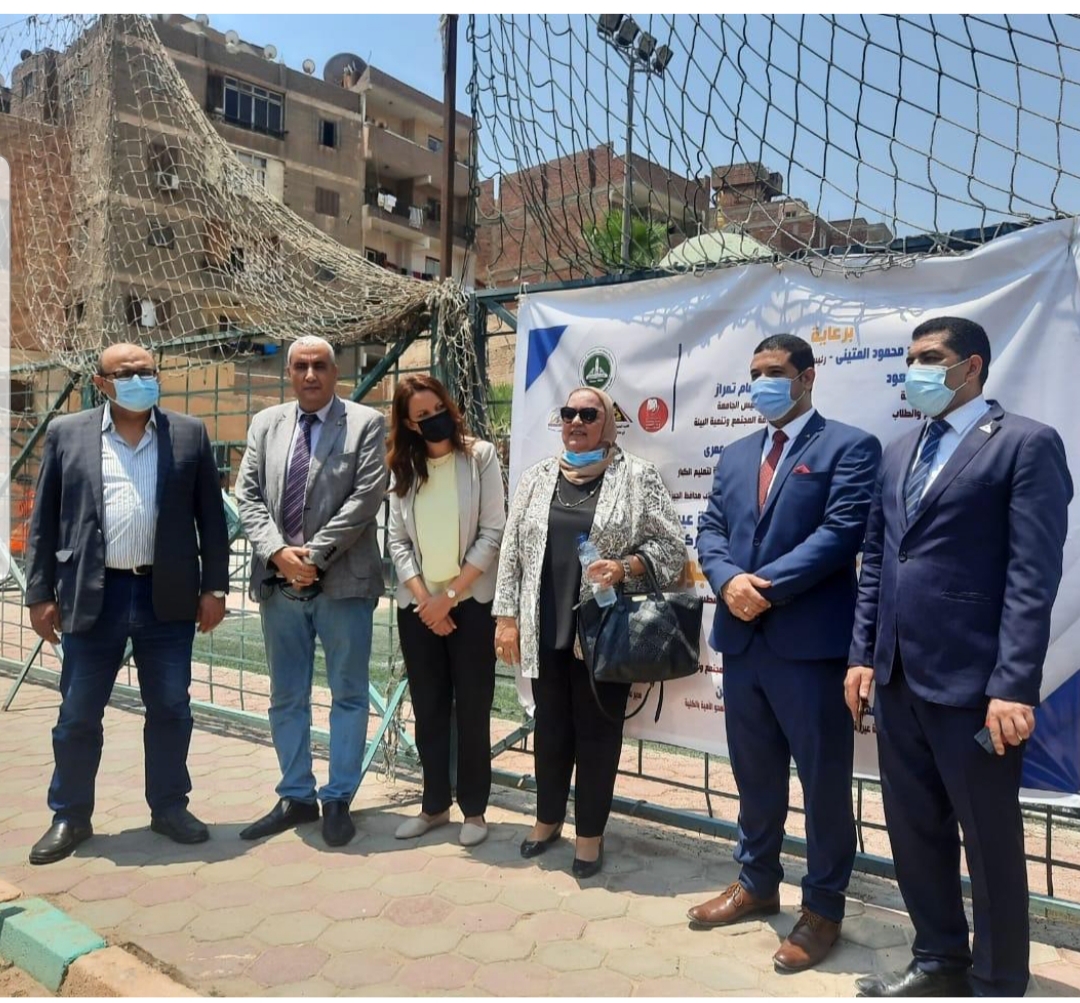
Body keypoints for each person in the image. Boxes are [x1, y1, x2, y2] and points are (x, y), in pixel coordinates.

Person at [846, 317, 1072, 998]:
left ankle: (998, 978)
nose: (915, 369)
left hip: (976, 685)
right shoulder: (899, 451)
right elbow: (878, 561)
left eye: (930, 358)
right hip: (898, 678)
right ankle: (938, 959)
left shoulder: (1026, 444)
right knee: (914, 828)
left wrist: (1014, 685)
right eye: (911, 357)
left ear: (971, 366)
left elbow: (1033, 575)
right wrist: (863, 655)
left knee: (989, 837)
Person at [689, 334, 881, 972]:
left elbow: (841, 533)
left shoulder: (849, 446)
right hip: (744, 644)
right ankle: (756, 881)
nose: (761, 383)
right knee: (755, 775)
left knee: (823, 784)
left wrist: (761, 588)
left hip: (809, 648)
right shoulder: (738, 453)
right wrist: (727, 583)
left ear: (807, 377)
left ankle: (822, 908)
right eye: (754, 372)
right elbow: (711, 530)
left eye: (774, 371)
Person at [24, 343, 230, 864]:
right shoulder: (67, 433)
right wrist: (39, 594)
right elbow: (44, 520)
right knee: (77, 713)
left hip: (167, 597)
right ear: (101, 382)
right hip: (94, 595)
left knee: (171, 707)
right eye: (127, 373)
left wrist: (215, 588)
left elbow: (212, 519)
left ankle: (169, 807)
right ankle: (70, 814)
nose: (140, 379)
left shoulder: (189, 433)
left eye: (147, 371)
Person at [492, 387, 685, 879]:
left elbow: (671, 551)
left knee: (598, 737)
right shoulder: (538, 477)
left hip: (604, 635)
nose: (576, 421)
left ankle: (590, 837)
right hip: (543, 628)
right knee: (550, 731)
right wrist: (506, 617)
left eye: (588, 414)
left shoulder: (636, 477)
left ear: (608, 422)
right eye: (568, 413)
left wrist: (625, 567)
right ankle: (547, 820)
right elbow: (511, 552)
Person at [235, 336, 387, 848]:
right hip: (279, 583)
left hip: (344, 584)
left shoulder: (365, 423)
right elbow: (247, 494)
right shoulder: (266, 424)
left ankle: (338, 797)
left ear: (335, 371)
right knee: (286, 695)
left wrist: (313, 557)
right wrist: (279, 553)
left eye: (319, 365)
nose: (309, 374)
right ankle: (296, 795)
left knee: (348, 694)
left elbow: (365, 498)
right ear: (289, 373)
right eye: (300, 366)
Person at [386, 375, 505, 847]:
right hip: (419, 609)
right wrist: (425, 600)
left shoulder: (480, 457)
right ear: (409, 425)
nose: (435, 418)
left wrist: (448, 597)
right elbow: (397, 541)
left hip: (470, 604)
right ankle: (434, 805)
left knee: (473, 708)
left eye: (439, 408)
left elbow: (492, 532)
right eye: (422, 415)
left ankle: (474, 810)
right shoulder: (403, 468)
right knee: (428, 707)